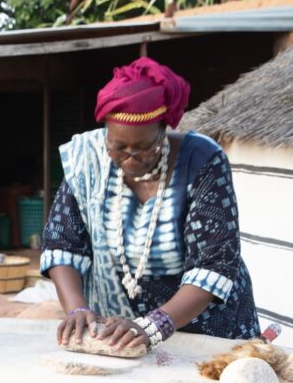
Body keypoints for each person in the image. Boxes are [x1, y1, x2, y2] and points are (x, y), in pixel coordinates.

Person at [41, 57, 259, 352]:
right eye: (118, 147)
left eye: (144, 148)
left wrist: (154, 325)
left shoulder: (202, 161)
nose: (130, 157)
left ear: (163, 130)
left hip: (208, 327)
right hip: (123, 330)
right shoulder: (87, 161)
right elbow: (62, 244)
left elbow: (215, 264)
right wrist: (77, 310)